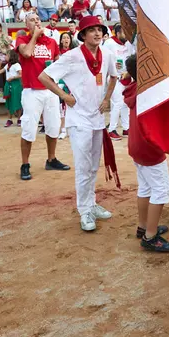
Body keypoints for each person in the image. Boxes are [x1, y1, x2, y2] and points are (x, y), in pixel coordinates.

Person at [38, 16, 117, 232]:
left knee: (93, 166)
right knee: (83, 167)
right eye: (91, 30)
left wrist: (107, 98)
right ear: (82, 35)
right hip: (78, 119)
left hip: (97, 118)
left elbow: (113, 77)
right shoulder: (71, 56)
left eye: (99, 29)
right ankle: (84, 211)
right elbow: (44, 77)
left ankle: (91, 203)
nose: (97, 33)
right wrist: (65, 96)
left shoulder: (107, 54)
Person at [122, 54, 169, 252]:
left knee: (145, 187)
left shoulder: (134, 89)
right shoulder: (149, 91)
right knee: (161, 190)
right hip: (149, 146)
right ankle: (150, 236)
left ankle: (143, 226)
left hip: (136, 144)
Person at [17, 11, 71, 180]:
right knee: (29, 128)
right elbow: (26, 54)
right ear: (27, 26)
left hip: (50, 90)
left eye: (38, 19)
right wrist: (35, 36)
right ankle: (25, 164)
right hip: (32, 90)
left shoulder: (52, 42)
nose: (36, 22)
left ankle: (51, 159)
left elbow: (57, 63)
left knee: (53, 126)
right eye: (32, 20)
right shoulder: (22, 40)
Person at [104, 24, 132, 140]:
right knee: (117, 103)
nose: (125, 35)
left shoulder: (128, 44)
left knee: (126, 104)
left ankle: (126, 128)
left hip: (126, 76)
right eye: (123, 32)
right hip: (114, 77)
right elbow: (104, 58)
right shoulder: (109, 43)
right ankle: (112, 129)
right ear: (117, 33)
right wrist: (112, 67)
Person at [4, 51, 23, 128]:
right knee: (9, 102)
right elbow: (0, 71)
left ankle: (19, 119)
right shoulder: (7, 65)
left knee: (17, 101)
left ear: (11, 56)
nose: (5, 57)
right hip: (8, 84)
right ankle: (10, 119)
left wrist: (12, 77)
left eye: (7, 55)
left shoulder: (17, 65)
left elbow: (20, 74)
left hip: (16, 85)